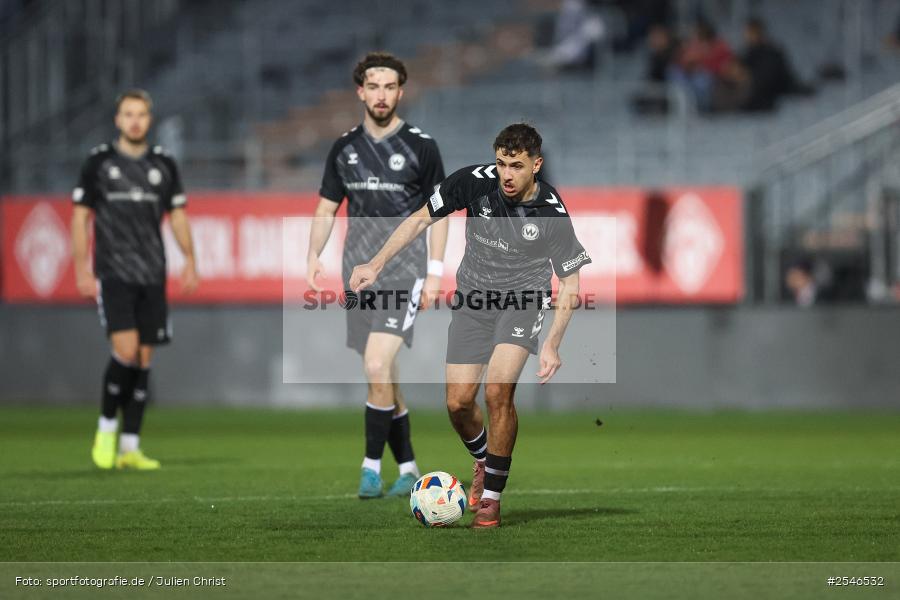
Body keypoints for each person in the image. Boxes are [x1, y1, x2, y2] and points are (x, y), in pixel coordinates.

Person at [349, 123, 591, 527]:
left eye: (516, 166)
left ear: (536, 165)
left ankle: (492, 498)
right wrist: (376, 263)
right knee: (458, 404)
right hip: (474, 303)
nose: (506, 174)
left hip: (522, 302)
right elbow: (420, 219)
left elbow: (570, 283)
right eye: (501, 164)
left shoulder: (550, 211)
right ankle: (483, 460)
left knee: (497, 391)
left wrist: (553, 342)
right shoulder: (473, 182)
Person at [306, 52, 448, 499]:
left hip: (404, 272)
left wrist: (436, 272)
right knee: (381, 375)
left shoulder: (421, 147)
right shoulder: (344, 148)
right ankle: (408, 468)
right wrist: (313, 254)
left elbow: (439, 213)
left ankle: (370, 469)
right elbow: (326, 208)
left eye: (389, 87)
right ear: (360, 92)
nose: (381, 95)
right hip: (357, 276)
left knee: (375, 364)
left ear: (401, 92)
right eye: (374, 86)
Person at [71, 88, 199, 470]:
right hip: (114, 272)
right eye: (128, 114)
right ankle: (106, 427)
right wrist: (81, 267)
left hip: (152, 273)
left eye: (141, 114)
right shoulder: (99, 162)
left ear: (149, 119)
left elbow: (177, 216)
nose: (135, 121)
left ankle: (130, 447)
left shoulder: (163, 163)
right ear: (118, 120)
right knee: (125, 351)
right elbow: (80, 216)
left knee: (143, 359)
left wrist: (190, 259)